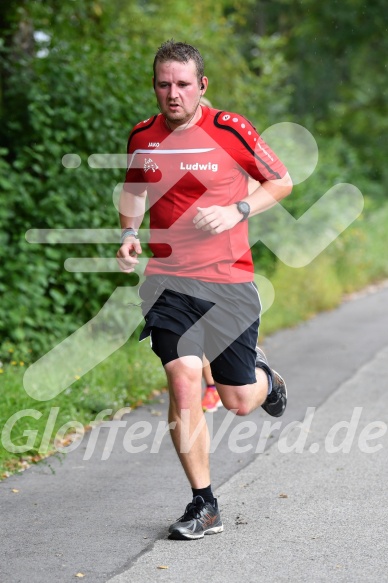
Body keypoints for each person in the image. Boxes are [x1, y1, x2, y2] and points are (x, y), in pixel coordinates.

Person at [117, 40, 292, 540]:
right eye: (163, 84)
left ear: (202, 86)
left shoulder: (229, 130)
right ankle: (204, 503)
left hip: (230, 282)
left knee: (239, 399)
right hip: (168, 282)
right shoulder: (142, 136)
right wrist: (129, 233)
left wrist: (237, 209)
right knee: (184, 380)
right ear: (155, 86)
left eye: (183, 84)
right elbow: (133, 190)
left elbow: (282, 181)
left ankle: (267, 380)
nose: (173, 94)